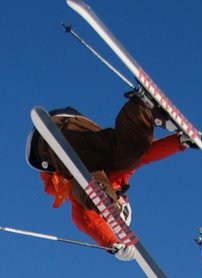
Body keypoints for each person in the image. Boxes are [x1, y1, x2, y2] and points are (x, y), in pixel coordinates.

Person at [26, 93, 193, 254]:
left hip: (47, 146)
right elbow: (148, 154)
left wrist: (112, 243)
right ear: (124, 201)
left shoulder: (75, 193)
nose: (116, 212)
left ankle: (99, 192)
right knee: (130, 154)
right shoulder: (121, 173)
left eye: (112, 217)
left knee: (84, 188)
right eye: (121, 211)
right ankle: (143, 108)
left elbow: (88, 222)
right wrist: (179, 142)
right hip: (77, 128)